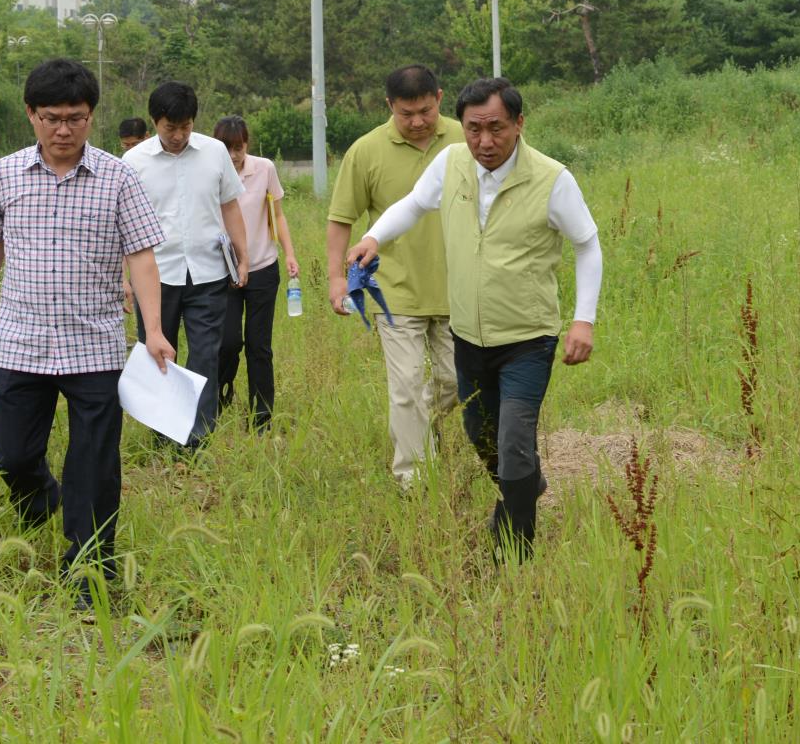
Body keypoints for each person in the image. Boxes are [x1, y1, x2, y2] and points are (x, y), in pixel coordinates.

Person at [0, 58, 174, 610]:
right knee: (9, 454)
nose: (64, 130)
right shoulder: (5, 174)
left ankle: (88, 573)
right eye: (52, 117)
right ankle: (47, 507)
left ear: (91, 117)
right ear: (31, 115)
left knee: (94, 466)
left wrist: (153, 330)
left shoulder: (118, 176)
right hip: (22, 343)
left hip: (95, 345)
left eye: (76, 118)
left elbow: (142, 259)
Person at [348, 77, 603, 561]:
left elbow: (587, 244)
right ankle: (527, 487)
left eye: (496, 129)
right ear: (461, 126)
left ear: (519, 124)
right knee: (480, 434)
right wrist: (375, 237)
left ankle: (512, 553)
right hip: (467, 334)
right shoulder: (452, 163)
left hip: (527, 338)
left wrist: (582, 320)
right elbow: (414, 204)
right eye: (473, 129)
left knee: (513, 441)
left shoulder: (553, 180)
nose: (485, 142)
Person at [327, 65, 463, 489]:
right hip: (395, 292)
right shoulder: (366, 151)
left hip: (459, 289)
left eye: (426, 110)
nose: (418, 121)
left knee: (457, 381)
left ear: (439, 97)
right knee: (405, 387)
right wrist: (336, 279)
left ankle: (422, 430)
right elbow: (340, 219)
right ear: (389, 106)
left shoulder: (466, 139)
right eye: (407, 113)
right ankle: (413, 481)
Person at [122, 82, 249, 448]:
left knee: (206, 353)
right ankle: (163, 434)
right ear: (154, 122)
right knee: (158, 352)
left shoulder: (214, 153)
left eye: (185, 127)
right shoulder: (133, 163)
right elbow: (122, 224)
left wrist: (244, 256)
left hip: (208, 271)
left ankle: (197, 437)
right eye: (169, 128)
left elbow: (229, 206)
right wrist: (123, 279)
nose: (178, 136)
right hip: (154, 277)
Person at [214, 115, 299, 432]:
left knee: (258, 345)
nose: (234, 155)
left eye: (239, 147)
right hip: (224, 271)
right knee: (228, 342)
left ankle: (261, 417)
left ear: (246, 145)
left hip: (263, 267)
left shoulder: (264, 168)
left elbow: (277, 214)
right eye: (227, 148)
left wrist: (289, 254)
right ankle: (220, 402)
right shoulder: (210, 172)